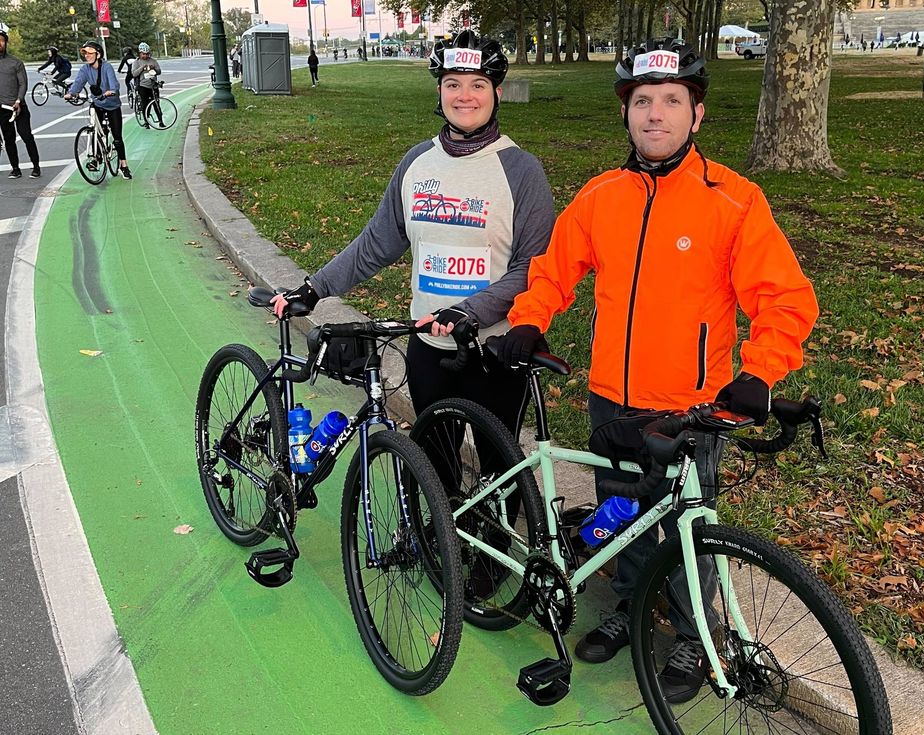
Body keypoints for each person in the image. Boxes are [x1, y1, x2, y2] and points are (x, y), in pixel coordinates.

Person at [497, 38, 818, 703]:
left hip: (691, 407)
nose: (655, 114)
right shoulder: (601, 195)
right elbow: (555, 271)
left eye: (672, 101)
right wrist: (530, 318)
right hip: (612, 399)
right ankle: (628, 605)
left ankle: (699, 636)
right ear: (627, 114)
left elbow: (784, 297)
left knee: (688, 529)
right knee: (621, 513)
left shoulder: (733, 200)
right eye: (642, 101)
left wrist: (760, 370)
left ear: (695, 116)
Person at [271, 29, 554, 453]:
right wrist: (315, 288)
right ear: (439, 91)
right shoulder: (417, 163)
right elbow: (377, 243)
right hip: (427, 348)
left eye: (478, 85)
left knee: (501, 480)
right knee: (434, 472)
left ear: (496, 92)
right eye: (452, 84)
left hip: (493, 349)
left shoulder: (522, 171)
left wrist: (468, 311)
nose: (465, 96)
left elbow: (532, 269)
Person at [65, 40, 132, 180]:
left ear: (98, 54)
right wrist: (71, 93)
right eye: (85, 53)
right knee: (95, 129)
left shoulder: (106, 67)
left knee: (117, 137)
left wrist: (111, 91)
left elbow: (114, 83)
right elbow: (78, 83)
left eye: (90, 53)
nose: (87, 56)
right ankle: (96, 158)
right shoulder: (85, 69)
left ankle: (123, 165)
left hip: (112, 104)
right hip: (97, 103)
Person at [0, 29, 42, 179]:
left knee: (26, 135)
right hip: (2, 109)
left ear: (5, 43)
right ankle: (15, 169)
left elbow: (23, 84)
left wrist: (18, 100)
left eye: (1, 40)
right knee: (8, 138)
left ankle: (36, 166)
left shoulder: (15, 62)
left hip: (18, 107)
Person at [130, 42, 162, 128]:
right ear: (140, 53)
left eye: (147, 54)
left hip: (153, 85)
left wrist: (154, 68)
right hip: (142, 86)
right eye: (143, 54)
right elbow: (134, 74)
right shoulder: (136, 62)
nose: (145, 56)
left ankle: (160, 121)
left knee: (156, 103)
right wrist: (142, 68)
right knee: (145, 104)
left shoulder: (153, 61)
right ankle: (146, 121)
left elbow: (159, 71)